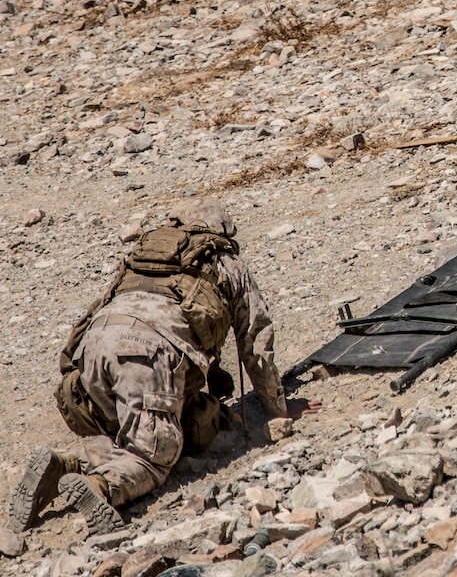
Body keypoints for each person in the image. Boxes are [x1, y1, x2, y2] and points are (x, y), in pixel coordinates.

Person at [9, 198, 320, 536]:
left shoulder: (141, 259)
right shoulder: (224, 262)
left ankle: (66, 464)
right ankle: (102, 486)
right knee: (155, 453)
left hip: (93, 348)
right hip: (145, 352)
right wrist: (279, 408)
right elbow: (256, 342)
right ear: (222, 232)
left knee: (131, 429)